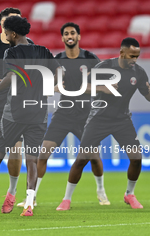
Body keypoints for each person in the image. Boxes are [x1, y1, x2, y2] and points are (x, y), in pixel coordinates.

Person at [18, 22, 109, 208]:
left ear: (78, 36)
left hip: (86, 116)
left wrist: (87, 88)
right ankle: (32, 197)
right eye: (66, 33)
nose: (70, 36)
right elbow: (46, 86)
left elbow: (105, 86)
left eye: (73, 33)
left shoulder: (91, 59)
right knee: (43, 155)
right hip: (63, 115)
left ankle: (101, 191)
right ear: (62, 38)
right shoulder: (57, 60)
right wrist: (54, 87)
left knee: (95, 158)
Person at [0, 16, 59, 216]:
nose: (4, 35)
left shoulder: (11, 52)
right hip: (38, 114)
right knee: (32, 159)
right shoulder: (43, 51)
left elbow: (11, 76)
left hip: (15, 114)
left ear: (13, 33)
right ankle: (29, 204)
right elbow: (58, 72)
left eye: (6, 32)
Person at [56, 37, 150, 210]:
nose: (134, 60)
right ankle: (66, 199)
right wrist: (102, 87)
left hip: (122, 120)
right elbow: (83, 87)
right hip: (98, 119)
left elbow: (147, 95)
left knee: (137, 158)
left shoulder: (138, 72)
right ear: (122, 53)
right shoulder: (104, 67)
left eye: (137, 56)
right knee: (82, 159)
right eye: (131, 56)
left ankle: (129, 194)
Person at [0, 8, 29, 212]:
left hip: (17, 104)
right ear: (0, 23)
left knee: (16, 149)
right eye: (7, 21)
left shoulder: (27, 46)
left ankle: (11, 192)